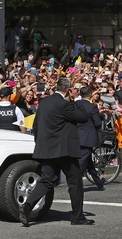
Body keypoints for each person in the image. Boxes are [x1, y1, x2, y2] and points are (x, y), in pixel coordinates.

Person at [19, 77, 92, 226]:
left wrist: (39, 143)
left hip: (46, 148)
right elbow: (84, 117)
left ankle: (27, 206)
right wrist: (77, 98)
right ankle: (77, 216)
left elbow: (36, 125)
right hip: (64, 150)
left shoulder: (44, 102)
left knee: (47, 180)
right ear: (68, 90)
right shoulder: (64, 104)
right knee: (75, 182)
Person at [76, 87, 105, 190]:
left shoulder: (76, 104)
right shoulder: (92, 107)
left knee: (88, 163)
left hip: (77, 136)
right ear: (90, 94)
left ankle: (99, 183)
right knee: (82, 163)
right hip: (88, 137)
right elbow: (97, 123)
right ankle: (74, 184)